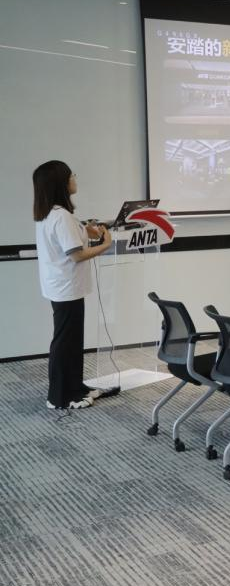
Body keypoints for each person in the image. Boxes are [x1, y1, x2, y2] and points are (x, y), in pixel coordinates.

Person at [32, 161, 113, 410]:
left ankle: (75, 387)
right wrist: (105, 245)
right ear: (61, 183)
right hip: (66, 288)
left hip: (63, 286)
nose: (74, 179)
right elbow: (76, 255)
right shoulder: (61, 216)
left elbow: (68, 242)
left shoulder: (51, 213)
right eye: (71, 176)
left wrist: (86, 231)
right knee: (65, 342)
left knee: (70, 341)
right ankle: (60, 397)